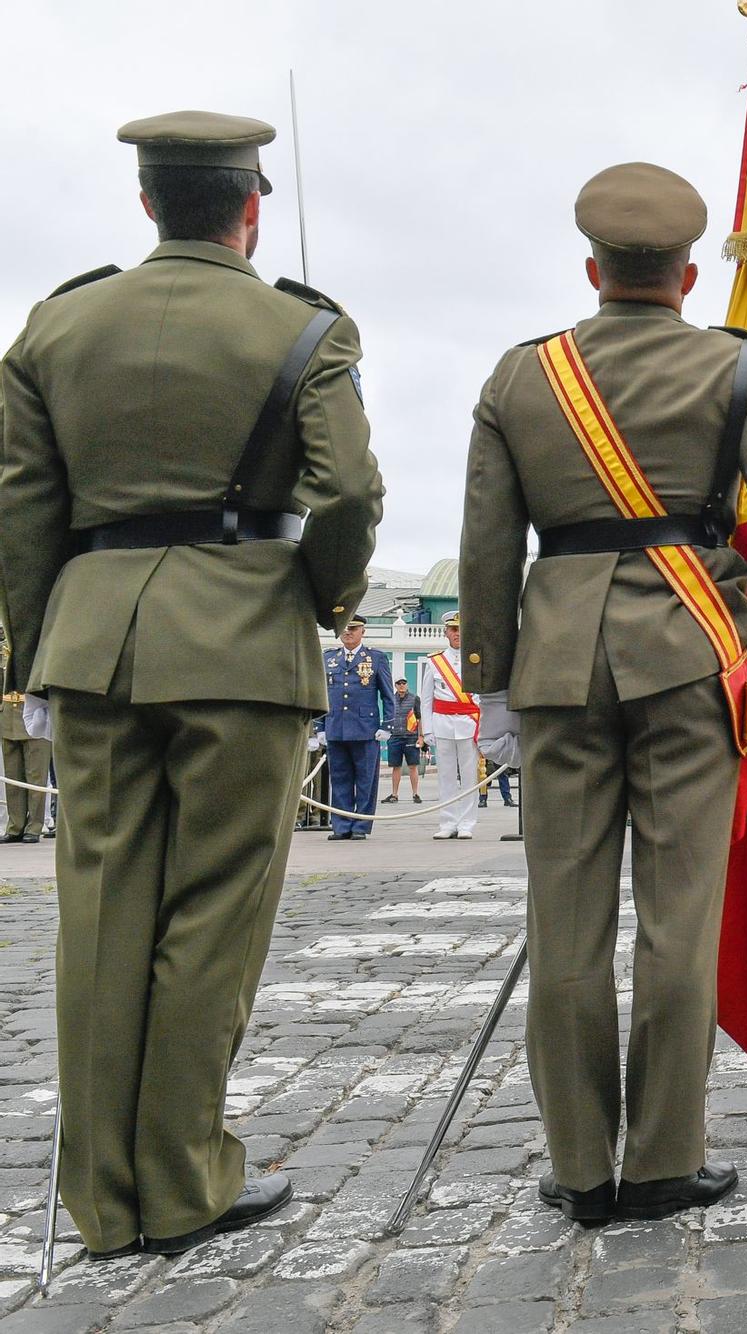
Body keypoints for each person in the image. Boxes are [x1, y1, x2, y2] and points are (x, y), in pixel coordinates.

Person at [0, 110, 381, 1258]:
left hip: (98, 636)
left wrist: (38, 650)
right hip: (242, 641)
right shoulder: (300, 329)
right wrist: (315, 595)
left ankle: (103, 1200)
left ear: (148, 203)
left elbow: (22, 507)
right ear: (249, 206)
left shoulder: (55, 327)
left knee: (101, 913)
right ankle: (183, 1175)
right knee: (212, 914)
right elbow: (349, 489)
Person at [458, 161, 747, 1224]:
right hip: (689, 655)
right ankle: (664, 1156)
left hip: (559, 664)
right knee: (677, 919)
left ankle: (579, 1166)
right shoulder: (733, 367)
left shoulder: (522, 376)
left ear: (591, 268)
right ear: (685, 273)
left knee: (564, 919)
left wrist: (490, 682)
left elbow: (488, 548)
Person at [311, 615, 396, 840]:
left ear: (363, 631)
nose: (348, 632)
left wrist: (387, 725)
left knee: (366, 780)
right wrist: (319, 726)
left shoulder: (375, 658)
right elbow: (320, 694)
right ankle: (341, 825)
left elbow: (388, 695)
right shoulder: (329, 658)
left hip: (365, 728)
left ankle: (360, 826)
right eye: (345, 629)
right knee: (339, 779)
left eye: (354, 628)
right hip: (336, 727)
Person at [419, 612, 481, 839]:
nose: (457, 634)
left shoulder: (476, 660)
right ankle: (447, 822)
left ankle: (467, 823)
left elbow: (482, 698)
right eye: (453, 629)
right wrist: (427, 730)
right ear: (446, 632)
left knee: (468, 777)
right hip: (442, 722)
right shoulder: (435, 661)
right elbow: (426, 699)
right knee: (445, 776)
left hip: (468, 723)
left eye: (461, 629)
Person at [2, 671, 51, 845]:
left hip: (33, 712)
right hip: (7, 711)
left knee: (35, 776)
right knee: (12, 777)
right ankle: (15, 826)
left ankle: (34, 827)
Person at [382, 677, 425, 804]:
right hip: (394, 736)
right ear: (395, 685)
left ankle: (415, 793)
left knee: (413, 766)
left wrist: (421, 736)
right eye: (399, 683)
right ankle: (394, 794)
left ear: (407, 685)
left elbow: (419, 718)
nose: (401, 685)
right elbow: (387, 715)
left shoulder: (414, 698)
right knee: (396, 766)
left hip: (410, 736)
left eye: (403, 683)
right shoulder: (391, 699)